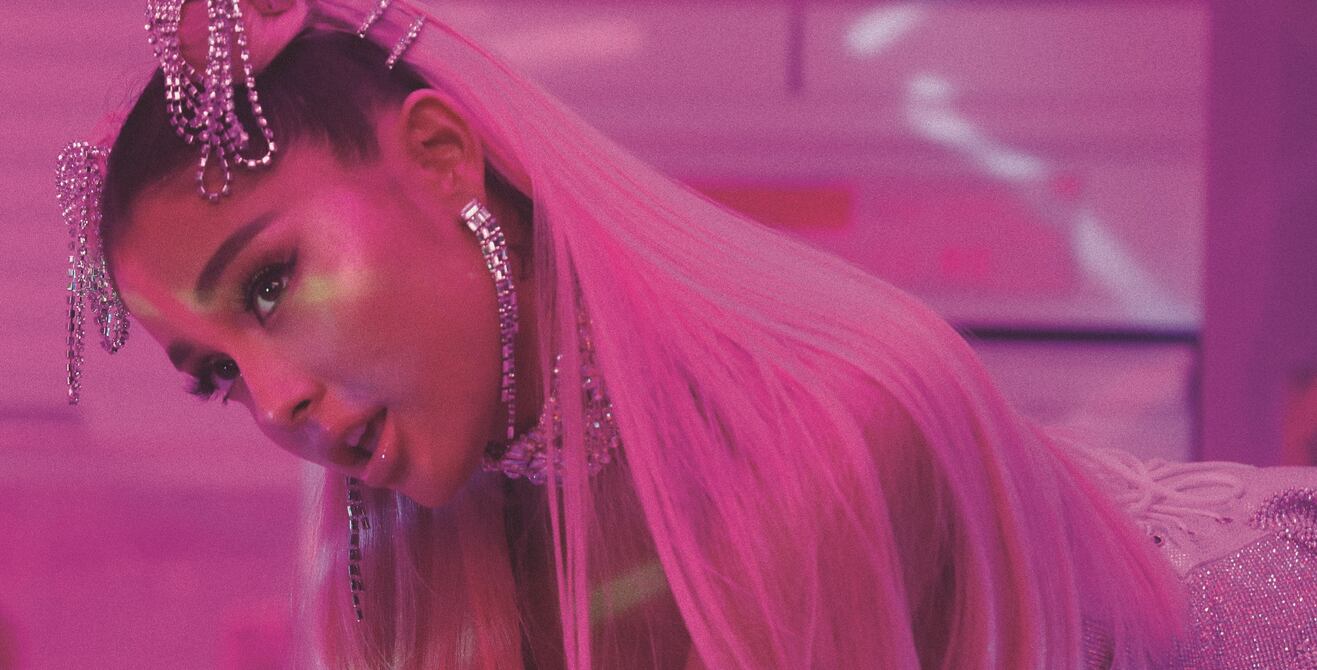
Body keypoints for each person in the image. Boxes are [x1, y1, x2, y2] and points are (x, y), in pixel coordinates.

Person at [57, 1, 1316, 668]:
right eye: (216, 374)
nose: (273, 401)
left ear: (441, 157)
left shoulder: (836, 432)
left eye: (271, 283)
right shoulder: (413, 562)